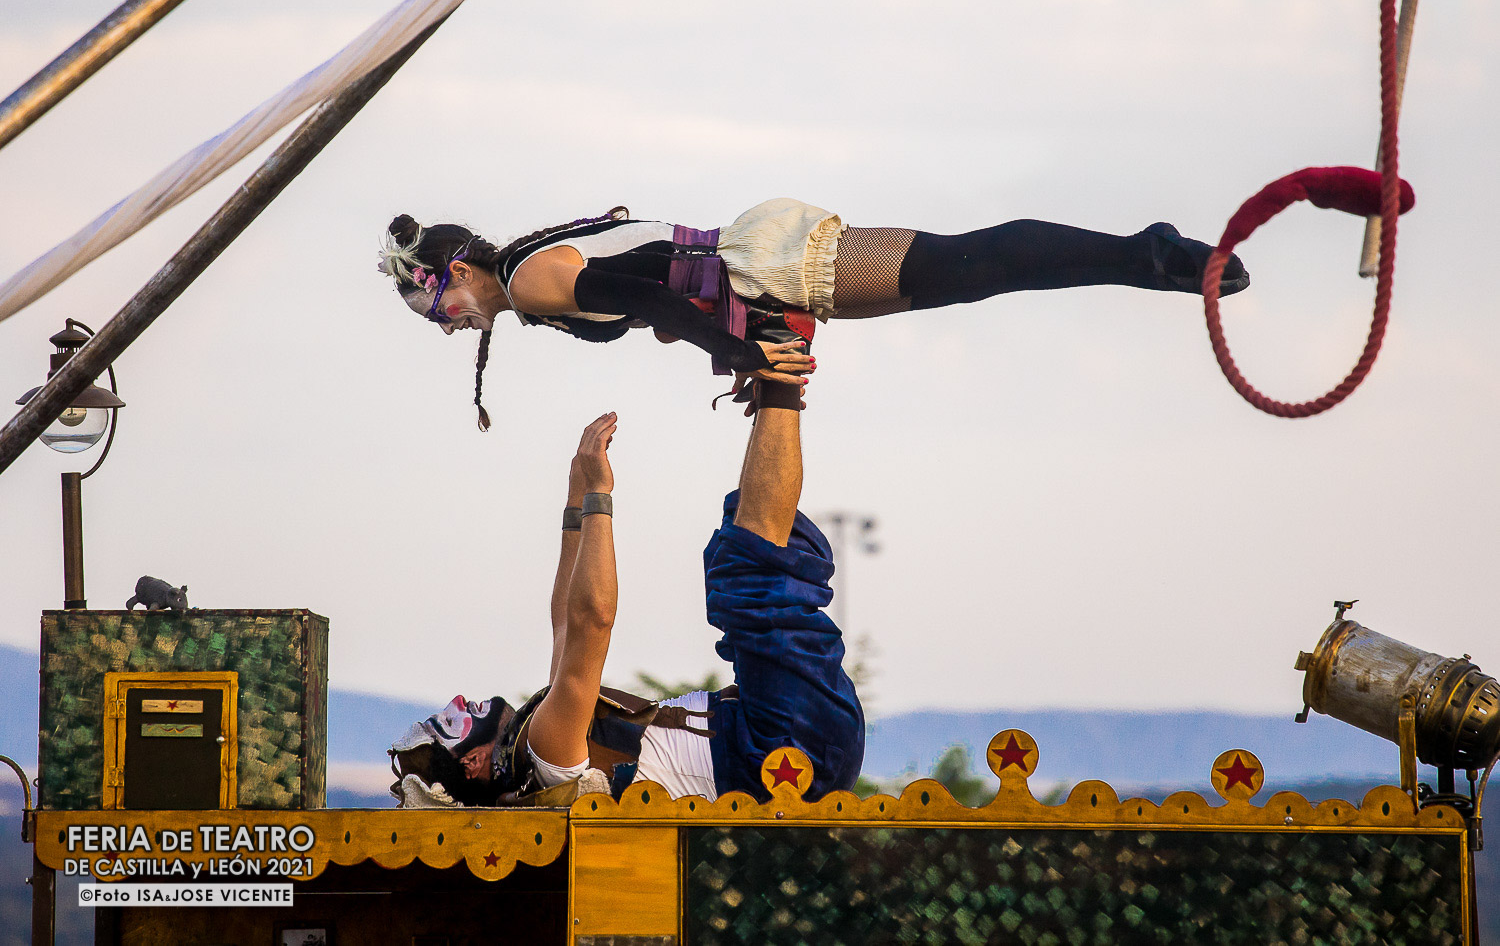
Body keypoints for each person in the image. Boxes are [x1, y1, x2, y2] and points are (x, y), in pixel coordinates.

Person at [375, 199, 1250, 428]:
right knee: (967, 272)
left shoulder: (529, 280)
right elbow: (651, 285)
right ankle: (1142, 258)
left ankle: (1146, 253)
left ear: (458, 269)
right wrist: (741, 348)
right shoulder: (532, 273)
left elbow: (647, 295)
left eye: (438, 305)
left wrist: (745, 355)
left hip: (764, 266)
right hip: (755, 280)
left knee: (967, 265)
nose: (448, 324)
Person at [401, 381, 863, 805]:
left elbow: (566, 623)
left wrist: (576, 501)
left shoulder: (539, 740)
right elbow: (593, 620)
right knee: (746, 573)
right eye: (449, 724)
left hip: (772, 733)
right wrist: (600, 496)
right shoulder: (546, 756)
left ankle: (774, 384)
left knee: (744, 535)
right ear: (473, 762)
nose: (458, 703)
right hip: (781, 751)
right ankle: (780, 362)